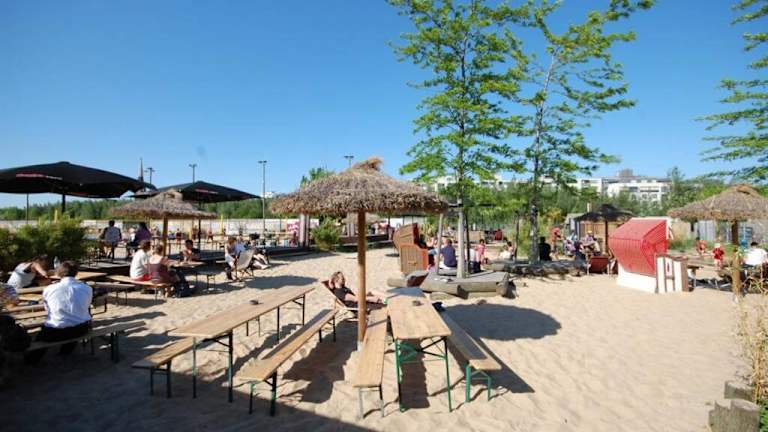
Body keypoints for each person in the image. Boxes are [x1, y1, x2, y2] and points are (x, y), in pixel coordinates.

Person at [26, 261, 92, 363]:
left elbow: (48, 310)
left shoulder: (49, 289)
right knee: (73, 321)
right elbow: (86, 306)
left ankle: (32, 360)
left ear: (59, 273)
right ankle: (65, 351)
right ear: (76, 273)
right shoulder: (87, 288)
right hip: (82, 329)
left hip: (56, 332)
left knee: (44, 333)